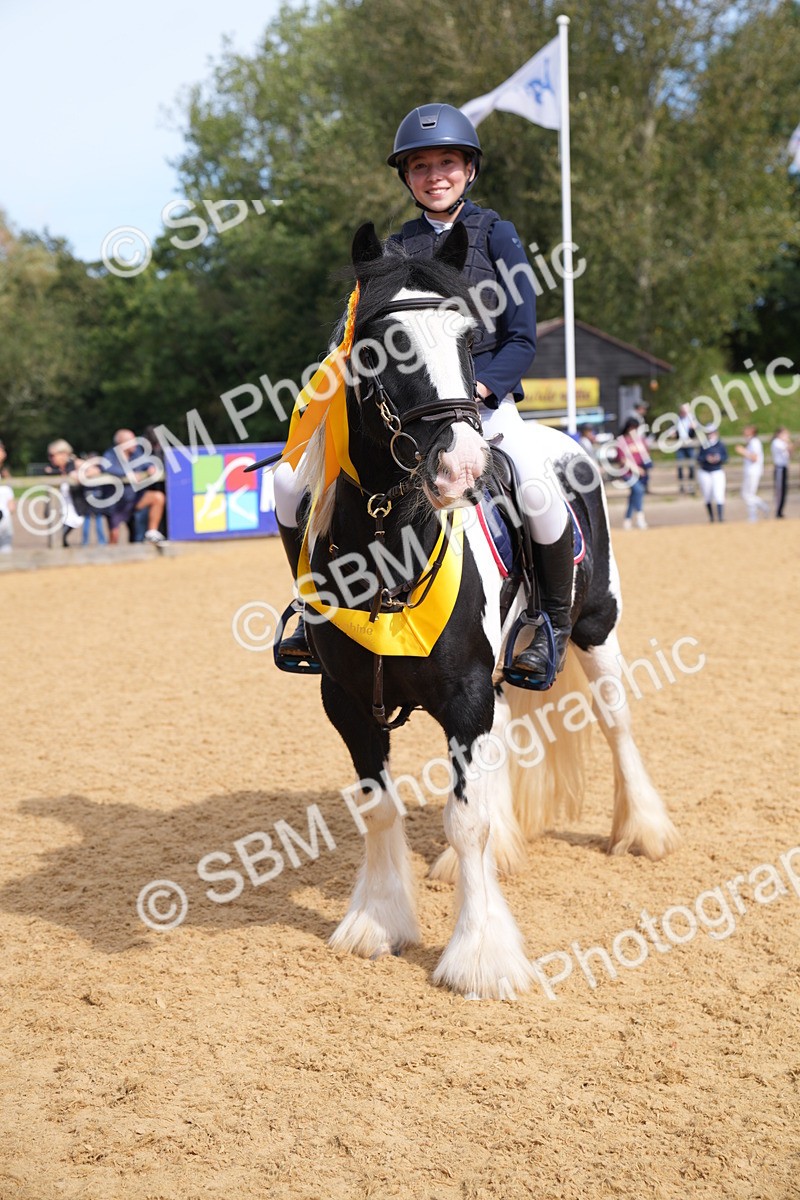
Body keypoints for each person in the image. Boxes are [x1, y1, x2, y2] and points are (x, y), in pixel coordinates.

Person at [274, 102, 573, 684]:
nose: (435, 175)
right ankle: (314, 609)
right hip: (409, 415)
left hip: (484, 402)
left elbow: (520, 337)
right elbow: (360, 344)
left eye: (447, 163)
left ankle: (550, 623)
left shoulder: (498, 236)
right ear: (406, 178)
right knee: (288, 481)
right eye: (420, 166)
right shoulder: (394, 251)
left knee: (536, 484)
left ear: (469, 169)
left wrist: (482, 390)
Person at [98, 429, 167, 545]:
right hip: (117, 503)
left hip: (134, 498)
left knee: (158, 497)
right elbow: (106, 467)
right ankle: (111, 558)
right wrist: (127, 474)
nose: (135, 443)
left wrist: (151, 467)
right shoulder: (110, 455)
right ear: (121, 443)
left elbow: (147, 462)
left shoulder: (137, 453)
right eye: (131, 441)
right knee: (114, 536)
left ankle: (152, 532)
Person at [43, 439, 86, 547]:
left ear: (64, 454)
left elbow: (95, 470)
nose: (51, 458)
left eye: (53, 455)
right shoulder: (52, 469)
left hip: (73, 508)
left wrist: (79, 475)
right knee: (58, 538)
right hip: (58, 509)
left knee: (59, 536)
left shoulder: (76, 463)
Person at [614, 417, 652, 529]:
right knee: (638, 490)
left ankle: (627, 519)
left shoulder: (640, 440)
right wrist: (636, 469)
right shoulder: (621, 441)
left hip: (641, 471)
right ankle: (640, 518)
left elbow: (646, 456)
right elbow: (622, 459)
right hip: (628, 473)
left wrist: (644, 468)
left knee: (634, 495)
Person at [735, 424, 769, 522]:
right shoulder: (750, 442)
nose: (744, 431)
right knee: (746, 494)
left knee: (748, 494)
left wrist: (743, 451)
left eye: (747, 429)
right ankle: (758, 511)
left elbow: (754, 458)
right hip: (749, 471)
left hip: (753, 472)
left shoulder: (754, 442)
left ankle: (758, 511)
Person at [696, 423, 728, 522]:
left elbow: (725, 457)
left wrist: (718, 458)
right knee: (707, 494)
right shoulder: (703, 445)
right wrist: (706, 458)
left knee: (719, 494)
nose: (710, 434)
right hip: (705, 471)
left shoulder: (720, 445)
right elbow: (699, 458)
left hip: (717, 470)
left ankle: (720, 517)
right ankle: (711, 518)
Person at [674, 403, 697, 494]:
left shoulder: (692, 418)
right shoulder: (677, 419)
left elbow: (698, 429)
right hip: (680, 445)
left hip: (690, 444)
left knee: (691, 465)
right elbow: (674, 430)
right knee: (680, 465)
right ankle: (681, 486)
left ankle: (691, 485)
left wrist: (694, 427)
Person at [770, 426, 792, 519]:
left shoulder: (782, 443)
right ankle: (778, 511)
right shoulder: (776, 442)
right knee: (779, 490)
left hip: (784, 467)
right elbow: (787, 447)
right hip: (779, 468)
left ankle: (780, 511)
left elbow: (790, 453)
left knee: (784, 490)